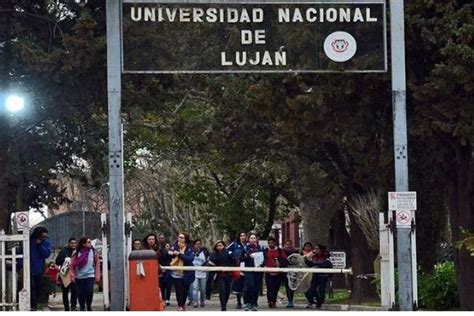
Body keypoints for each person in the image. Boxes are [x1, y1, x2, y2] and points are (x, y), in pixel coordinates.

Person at [70, 237, 101, 311]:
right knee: (80, 293)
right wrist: (72, 276)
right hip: (79, 276)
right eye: (88, 242)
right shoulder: (76, 252)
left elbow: (97, 264)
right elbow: (71, 265)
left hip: (90, 275)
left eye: (90, 242)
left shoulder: (93, 252)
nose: (90, 243)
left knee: (89, 291)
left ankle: (89, 305)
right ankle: (82, 307)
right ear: (83, 244)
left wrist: (97, 275)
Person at [168, 233, 195, 311]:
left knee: (185, 290)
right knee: (179, 290)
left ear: (185, 239)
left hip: (187, 273)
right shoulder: (174, 246)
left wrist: (180, 255)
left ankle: (183, 304)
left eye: (182, 237)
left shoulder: (190, 248)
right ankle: (180, 305)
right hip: (176, 273)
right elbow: (169, 257)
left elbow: (190, 259)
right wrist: (170, 254)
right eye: (179, 237)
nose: (180, 238)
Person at [29, 226, 52, 311]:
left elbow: (46, 254)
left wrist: (40, 245)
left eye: (45, 237)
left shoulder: (46, 242)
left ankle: (36, 302)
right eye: (42, 236)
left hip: (39, 268)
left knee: (37, 286)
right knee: (31, 287)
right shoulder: (31, 241)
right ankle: (33, 304)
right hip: (29, 267)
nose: (43, 238)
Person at [304, 244, 332, 309]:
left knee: (321, 290)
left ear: (321, 250)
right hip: (315, 275)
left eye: (317, 249)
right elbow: (309, 264)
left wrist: (316, 265)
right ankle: (314, 301)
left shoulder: (325, 257)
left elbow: (326, 265)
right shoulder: (314, 256)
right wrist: (309, 257)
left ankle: (320, 303)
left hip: (323, 276)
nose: (316, 250)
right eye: (315, 249)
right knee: (311, 289)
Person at [241, 232, 264, 311]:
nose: (253, 239)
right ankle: (248, 303)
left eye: (254, 238)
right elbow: (241, 258)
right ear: (248, 239)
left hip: (258, 270)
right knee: (250, 285)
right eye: (251, 238)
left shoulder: (260, 248)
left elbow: (264, 259)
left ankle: (254, 303)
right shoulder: (245, 248)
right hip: (249, 269)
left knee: (256, 287)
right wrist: (247, 255)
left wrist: (262, 263)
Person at [263, 236, 288, 309]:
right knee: (269, 287)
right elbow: (263, 259)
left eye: (272, 243)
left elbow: (285, 260)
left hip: (278, 272)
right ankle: (270, 301)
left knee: (276, 288)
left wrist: (279, 262)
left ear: (275, 243)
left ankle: (273, 301)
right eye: (269, 243)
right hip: (268, 272)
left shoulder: (280, 251)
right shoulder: (266, 251)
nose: (270, 244)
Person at [209, 240, 234, 311]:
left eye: (220, 245)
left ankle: (225, 303)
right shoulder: (214, 254)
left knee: (227, 291)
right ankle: (223, 306)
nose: (219, 247)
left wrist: (231, 255)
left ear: (223, 245)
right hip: (219, 275)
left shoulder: (229, 253)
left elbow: (234, 262)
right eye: (217, 246)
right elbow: (211, 262)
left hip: (228, 274)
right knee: (222, 290)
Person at [56, 237, 78, 311]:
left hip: (74, 273)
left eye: (75, 243)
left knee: (74, 291)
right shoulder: (63, 251)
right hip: (65, 273)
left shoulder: (77, 251)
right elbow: (57, 261)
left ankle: (73, 306)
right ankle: (66, 307)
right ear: (69, 243)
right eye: (72, 243)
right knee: (65, 291)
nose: (73, 245)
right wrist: (65, 259)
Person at [227, 231, 247, 309]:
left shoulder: (247, 245)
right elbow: (227, 250)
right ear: (239, 237)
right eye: (241, 236)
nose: (243, 237)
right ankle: (239, 302)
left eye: (244, 235)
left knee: (246, 285)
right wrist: (232, 255)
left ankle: (246, 302)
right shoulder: (234, 244)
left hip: (247, 266)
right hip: (238, 267)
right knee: (238, 285)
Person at [191, 239, 208, 308]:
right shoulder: (191, 252)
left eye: (199, 244)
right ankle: (195, 302)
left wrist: (205, 264)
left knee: (203, 289)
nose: (198, 245)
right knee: (195, 288)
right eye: (197, 244)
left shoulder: (204, 252)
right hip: (194, 272)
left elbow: (208, 260)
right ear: (194, 245)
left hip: (203, 273)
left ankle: (202, 301)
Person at [282, 239, 298, 308]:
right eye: (287, 244)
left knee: (291, 286)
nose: (288, 246)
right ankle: (289, 300)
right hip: (285, 271)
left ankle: (291, 301)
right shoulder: (282, 251)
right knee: (287, 286)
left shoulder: (295, 252)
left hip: (293, 271)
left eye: (289, 244)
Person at [159, 242, 172, 306]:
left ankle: (167, 299)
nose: (168, 247)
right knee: (162, 286)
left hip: (168, 270)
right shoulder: (161, 252)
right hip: (161, 270)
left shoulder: (171, 253)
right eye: (167, 246)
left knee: (168, 285)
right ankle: (163, 299)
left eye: (169, 246)